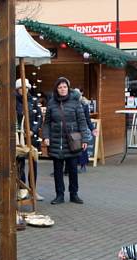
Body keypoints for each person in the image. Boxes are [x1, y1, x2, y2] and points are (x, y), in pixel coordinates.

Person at [42, 77, 90, 205]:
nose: (62, 89)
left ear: (68, 88)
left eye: (64, 87)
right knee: (58, 171)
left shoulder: (75, 103)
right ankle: (59, 195)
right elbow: (46, 123)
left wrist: (85, 138)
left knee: (73, 170)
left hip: (72, 142)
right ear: (56, 89)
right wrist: (46, 136)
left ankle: (74, 194)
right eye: (60, 87)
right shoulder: (51, 103)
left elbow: (82, 122)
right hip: (56, 142)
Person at [15, 78, 43, 200]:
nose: (24, 90)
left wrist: (33, 130)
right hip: (19, 139)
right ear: (17, 89)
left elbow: (39, 117)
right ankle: (21, 190)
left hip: (33, 138)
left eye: (26, 88)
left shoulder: (33, 101)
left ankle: (33, 190)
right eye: (21, 88)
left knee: (33, 165)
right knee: (19, 164)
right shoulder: (13, 102)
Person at [73, 88, 97, 172]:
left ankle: (83, 166)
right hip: (73, 129)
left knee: (83, 147)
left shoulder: (84, 104)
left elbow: (87, 118)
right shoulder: (70, 104)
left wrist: (92, 129)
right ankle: (73, 166)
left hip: (82, 128)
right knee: (74, 147)